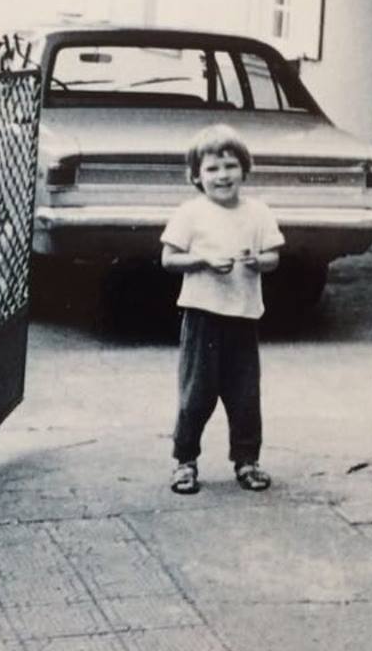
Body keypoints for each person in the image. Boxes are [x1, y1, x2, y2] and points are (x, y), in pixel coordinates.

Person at [161, 124, 284, 494]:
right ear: (196, 176)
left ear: (244, 169)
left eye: (230, 166)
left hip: (244, 316)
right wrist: (199, 260)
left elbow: (274, 257)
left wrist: (256, 260)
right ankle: (185, 461)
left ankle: (247, 460)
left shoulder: (258, 212)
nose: (222, 175)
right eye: (212, 169)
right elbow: (169, 259)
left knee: (245, 395)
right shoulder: (190, 213)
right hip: (203, 316)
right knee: (197, 393)